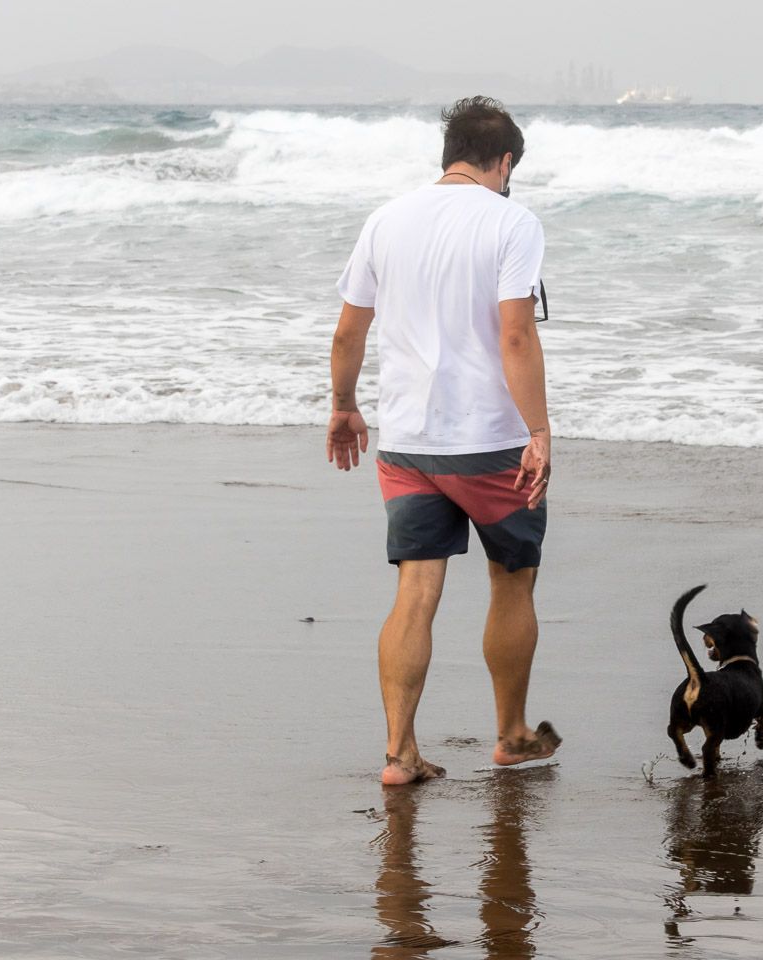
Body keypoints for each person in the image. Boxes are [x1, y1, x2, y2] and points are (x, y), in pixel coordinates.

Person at [328, 96, 560, 786]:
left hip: (407, 442)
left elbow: (348, 331)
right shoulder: (512, 222)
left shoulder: (386, 219)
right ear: (506, 161)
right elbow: (515, 333)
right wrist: (540, 430)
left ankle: (399, 754)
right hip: (490, 444)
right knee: (512, 581)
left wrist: (343, 406)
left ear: (450, 154)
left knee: (416, 590)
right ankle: (512, 735)